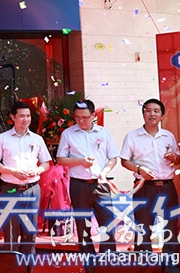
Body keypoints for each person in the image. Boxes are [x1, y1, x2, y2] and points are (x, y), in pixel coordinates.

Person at [120, 99, 180, 271]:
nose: (152, 114)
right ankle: (145, 266)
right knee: (143, 228)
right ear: (143, 113)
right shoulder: (132, 136)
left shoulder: (168, 136)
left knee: (170, 226)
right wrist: (139, 169)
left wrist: (175, 158)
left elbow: (177, 159)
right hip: (144, 187)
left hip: (167, 186)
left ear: (162, 115)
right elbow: (124, 160)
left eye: (156, 111)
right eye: (148, 110)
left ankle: (171, 266)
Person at [56, 100, 119, 254]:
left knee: (107, 223)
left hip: (100, 184)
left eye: (85, 117)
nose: (81, 121)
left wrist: (104, 172)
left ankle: (107, 260)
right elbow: (60, 159)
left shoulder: (104, 133)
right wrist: (80, 161)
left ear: (93, 116)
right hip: (79, 185)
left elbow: (113, 158)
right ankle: (88, 260)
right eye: (77, 117)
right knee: (83, 226)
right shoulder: (68, 134)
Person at [0, 101, 52, 254]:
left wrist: (37, 170)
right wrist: (12, 171)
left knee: (30, 231)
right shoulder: (2, 138)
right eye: (22, 116)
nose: (26, 119)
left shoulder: (37, 139)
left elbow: (46, 163)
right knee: (11, 232)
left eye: (28, 116)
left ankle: (28, 264)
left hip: (32, 189)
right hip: (10, 189)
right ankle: (11, 264)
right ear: (13, 117)